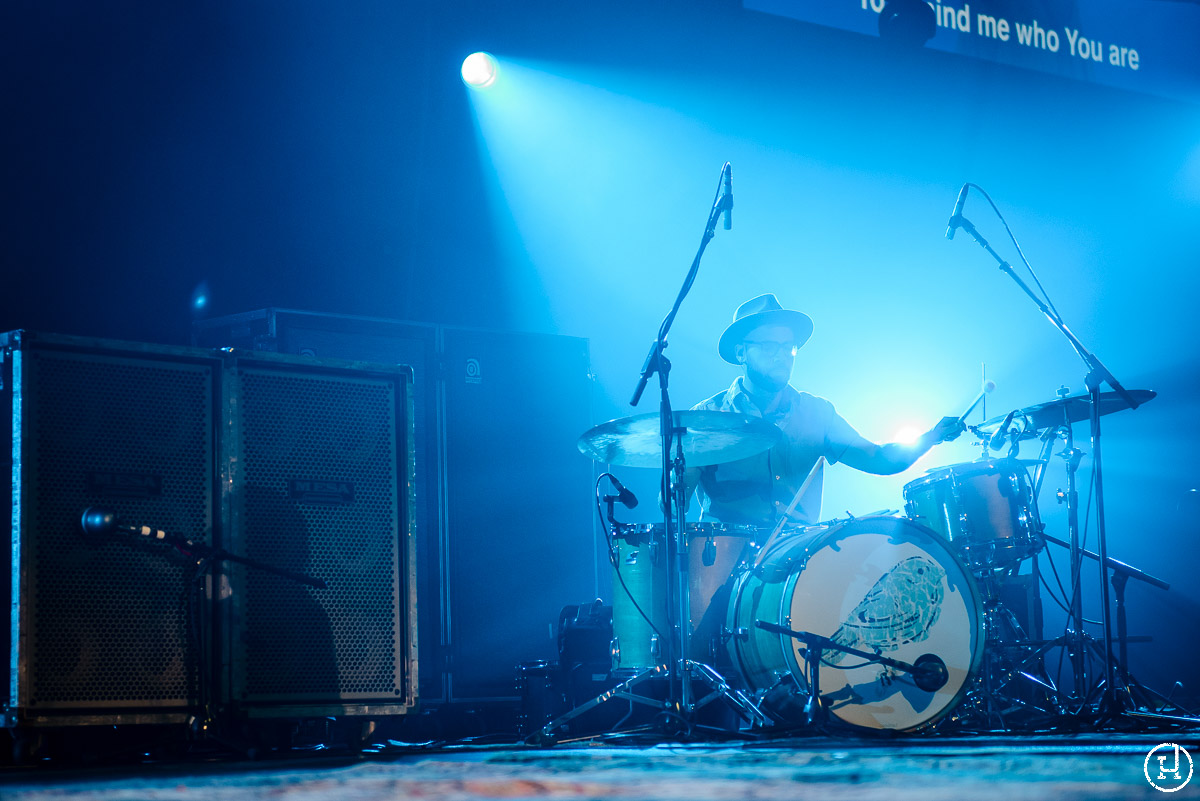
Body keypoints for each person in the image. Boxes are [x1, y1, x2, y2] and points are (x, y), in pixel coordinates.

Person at [681, 293, 964, 528]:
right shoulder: (707, 418)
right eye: (769, 346)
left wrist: (931, 437)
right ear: (741, 353)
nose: (781, 355)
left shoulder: (818, 413)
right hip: (728, 562)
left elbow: (880, 459)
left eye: (788, 347)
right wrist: (677, 479)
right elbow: (673, 504)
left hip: (799, 562)